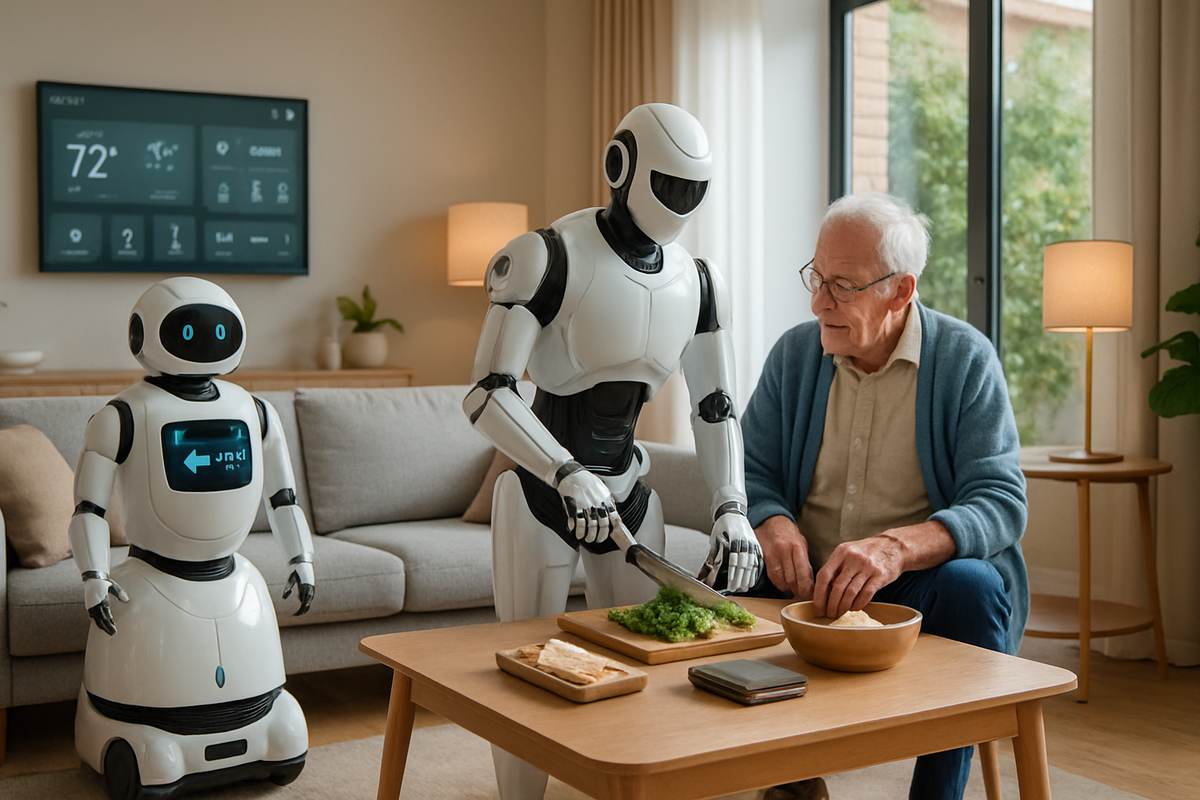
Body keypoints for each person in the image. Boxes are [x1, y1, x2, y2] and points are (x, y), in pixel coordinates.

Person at [462, 103, 763, 800]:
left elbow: (715, 407)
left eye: (696, 189)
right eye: (671, 184)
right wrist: (561, 470)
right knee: (527, 667)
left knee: (647, 664)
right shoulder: (548, 255)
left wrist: (731, 508)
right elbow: (486, 392)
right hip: (540, 495)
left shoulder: (699, 280)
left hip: (629, 492)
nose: (681, 203)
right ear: (621, 166)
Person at [741, 192, 1028, 800]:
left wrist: (896, 549)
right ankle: (786, 780)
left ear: (900, 291)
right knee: (716, 571)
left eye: (843, 285)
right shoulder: (795, 354)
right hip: (801, 575)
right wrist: (772, 523)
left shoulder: (964, 359)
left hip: (909, 587)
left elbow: (1001, 499)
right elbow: (748, 469)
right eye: (816, 278)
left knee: (974, 587)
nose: (820, 301)